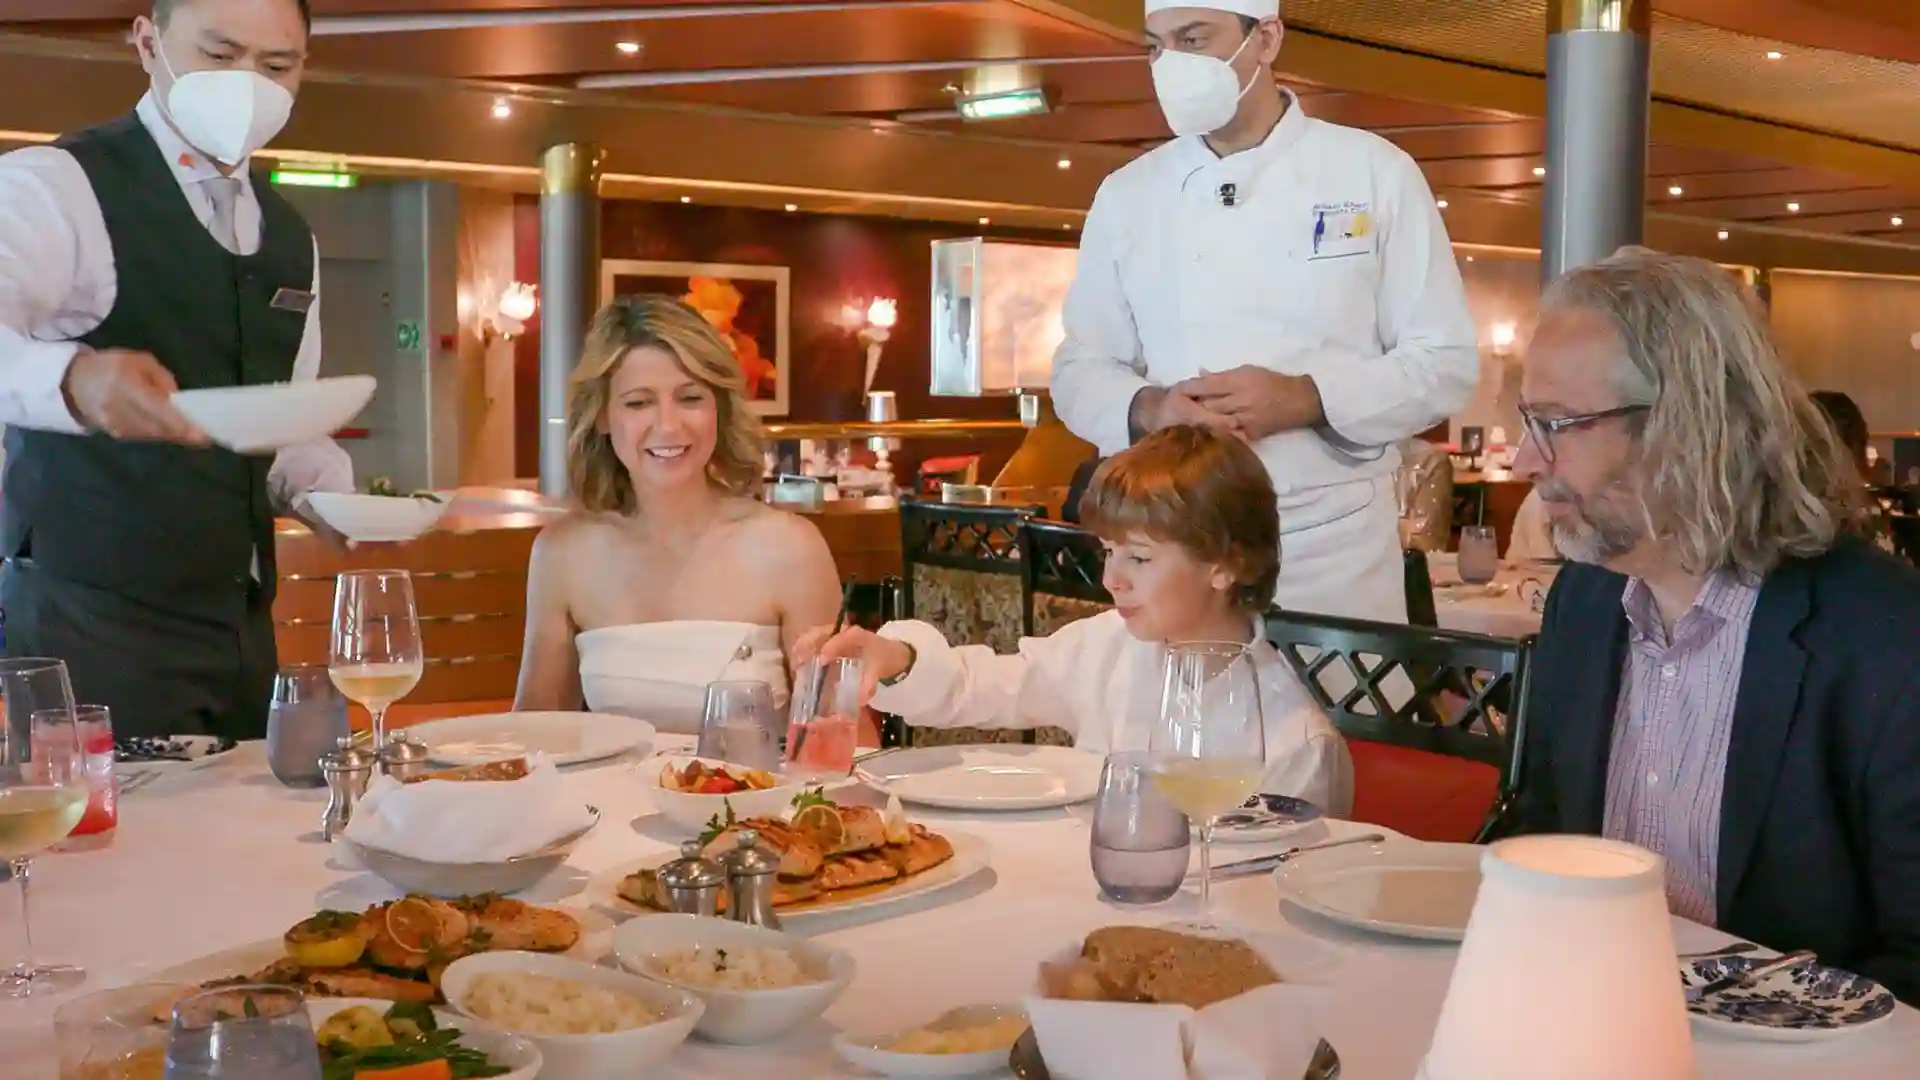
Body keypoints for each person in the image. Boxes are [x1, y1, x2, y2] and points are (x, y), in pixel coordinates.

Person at [1511, 248, 1920, 1005]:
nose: (1519, 460)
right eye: (1526, 421)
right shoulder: (1585, 604)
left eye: (1557, 424)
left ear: (1688, 428)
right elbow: (1542, 841)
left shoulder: (1884, 638)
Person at [1050, 0, 1477, 624]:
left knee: (1332, 718)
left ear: (1267, 39)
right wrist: (1155, 409)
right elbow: (1079, 365)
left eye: (1194, 38)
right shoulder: (1128, 193)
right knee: (1189, 713)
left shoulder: (1374, 171)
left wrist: (1305, 397)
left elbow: (1445, 364)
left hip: (1332, 542)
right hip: (1178, 540)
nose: (1172, 64)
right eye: (1157, 47)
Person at [0, 0, 353, 740]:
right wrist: (72, 380)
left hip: (242, 621)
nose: (246, 84)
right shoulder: (55, 186)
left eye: (275, 66)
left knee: (239, 844)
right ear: (147, 41)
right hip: (90, 620)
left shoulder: (290, 235)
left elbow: (279, 421)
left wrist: (330, 498)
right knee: (110, 851)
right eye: (220, 56)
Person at [802, 425, 1353, 814]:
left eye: (1138, 558)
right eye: (1108, 553)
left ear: (1225, 565)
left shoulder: (1292, 739)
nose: (1112, 579)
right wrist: (895, 660)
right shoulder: (1108, 646)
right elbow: (988, 685)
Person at [513, 295, 842, 734]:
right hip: (609, 803)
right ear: (603, 417)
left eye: (689, 398)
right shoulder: (563, 553)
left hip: (758, 802)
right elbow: (534, 737)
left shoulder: (791, 548)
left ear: (718, 411)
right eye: (638, 403)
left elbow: (839, 739)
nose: (668, 426)